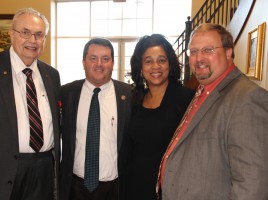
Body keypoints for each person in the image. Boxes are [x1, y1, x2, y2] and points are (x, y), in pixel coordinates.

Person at [158, 23, 268, 200]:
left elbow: (253, 184)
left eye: (207, 50)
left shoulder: (247, 98)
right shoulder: (204, 90)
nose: (199, 58)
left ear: (228, 52)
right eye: (193, 52)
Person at [0, 8, 61, 200]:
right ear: (11, 34)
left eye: (39, 34)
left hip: (43, 169)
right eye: (25, 32)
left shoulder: (51, 75)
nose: (32, 40)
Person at [59, 38, 132, 200]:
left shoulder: (130, 95)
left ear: (112, 63)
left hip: (114, 188)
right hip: (75, 187)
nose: (99, 64)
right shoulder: (66, 93)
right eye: (93, 58)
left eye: (105, 59)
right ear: (84, 62)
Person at [125, 34, 195, 200]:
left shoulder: (188, 99)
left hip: (172, 190)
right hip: (134, 187)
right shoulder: (133, 99)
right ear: (140, 67)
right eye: (148, 61)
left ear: (170, 65)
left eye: (161, 60)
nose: (155, 66)